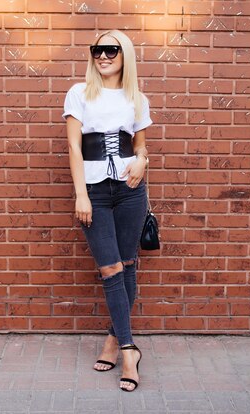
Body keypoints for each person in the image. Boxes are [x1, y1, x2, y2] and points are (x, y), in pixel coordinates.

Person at [63, 29, 152, 392]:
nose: (102, 56)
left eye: (110, 50)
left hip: (131, 190)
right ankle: (130, 350)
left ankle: (114, 341)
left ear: (124, 55)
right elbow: (73, 146)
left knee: (128, 265)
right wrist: (80, 194)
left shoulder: (137, 98)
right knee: (111, 267)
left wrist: (142, 161)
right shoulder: (79, 92)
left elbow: (142, 146)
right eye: (97, 50)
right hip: (96, 192)